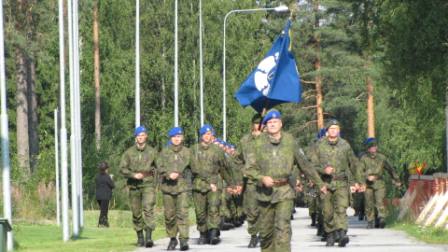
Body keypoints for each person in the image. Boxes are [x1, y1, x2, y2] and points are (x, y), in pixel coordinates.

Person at [246, 110, 327, 252]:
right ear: (265, 125)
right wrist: (261, 178)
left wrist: (319, 183)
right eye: (269, 122)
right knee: (266, 234)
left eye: (275, 122)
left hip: (284, 191)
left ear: (281, 124)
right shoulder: (257, 143)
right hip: (264, 193)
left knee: (282, 228)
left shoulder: (290, 141)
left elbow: (305, 165)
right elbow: (249, 168)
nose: (272, 124)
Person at [308, 119, 364, 247]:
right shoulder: (319, 145)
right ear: (327, 131)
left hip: (341, 183)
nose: (334, 131)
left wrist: (360, 181)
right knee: (327, 212)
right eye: (331, 129)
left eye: (336, 129)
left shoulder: (345, 145)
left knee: (341, 209)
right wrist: (323, 170)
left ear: (339, 131)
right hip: (325, 183)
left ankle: (342, 233)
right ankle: (330, 234)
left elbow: (354, 164)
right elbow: (311, 165)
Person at [191, 124, 236, 245]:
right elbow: (193, 168)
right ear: (201, 136)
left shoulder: (218, 150)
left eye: (209, 134)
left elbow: (225, 169)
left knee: (213, 208)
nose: (207, 136)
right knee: (200, 212)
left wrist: (232, 184)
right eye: (205, 134)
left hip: (214, 184)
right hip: (199, 184)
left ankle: (213, 233)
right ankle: (203, 233)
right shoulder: (194, 150)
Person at [120, 126, 158, 247]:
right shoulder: (129, 153)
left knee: (148, 208)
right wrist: (132, 175)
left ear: (146, 136)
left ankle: (149, 237)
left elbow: (160, 166)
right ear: (135, 138)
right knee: (136, 212)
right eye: (138, 136)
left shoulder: (152, 151)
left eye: (142, 135)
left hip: (148, 184)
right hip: (134, 185)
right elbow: (122, 169)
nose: (140, 138)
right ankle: (140, 237)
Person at [157, 127, 192, 250]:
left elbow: (195, 167)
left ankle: (183, 240)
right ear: (171, 138)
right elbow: (159, 166)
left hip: (182, 187)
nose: (177, 139)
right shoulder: (164, 152)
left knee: (182, 214)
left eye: (179, 136)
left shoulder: (188, 152)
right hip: (167, 187)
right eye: (174, 137)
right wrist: (168, 174)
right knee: (169, 215)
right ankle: (172, 238)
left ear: (182, 138)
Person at [359, 137, 401, 229]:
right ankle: (370, 221)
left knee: (380, 201)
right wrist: (364, 179)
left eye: (374, 146)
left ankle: (381, 218)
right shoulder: (364, 159)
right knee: (368, 202)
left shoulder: (382, 158)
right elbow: (359, 172)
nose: (373, 148)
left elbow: (391, 169)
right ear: (368, 148)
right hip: (367, 184)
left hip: (379, 183)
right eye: (371, 147)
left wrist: (397, 180)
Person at [240, 114, 263, 248]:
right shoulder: (245, 141)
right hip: (250, 181)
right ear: (252, 125)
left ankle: (264, 234)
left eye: (260, 123)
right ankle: (254, 235)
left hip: (266, 180)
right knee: (252, 210)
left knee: (265, 209)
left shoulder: (269, 140)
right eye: (256, 123)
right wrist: (239, 176)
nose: (258, 125)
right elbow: (237, 159)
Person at [95, 161, 115, 228]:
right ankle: (100, 224)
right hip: (105, 196)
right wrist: (111, 178)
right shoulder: (107, 176)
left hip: (98, 196)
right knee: (104, 211)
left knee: (103, 210)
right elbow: (112, 185)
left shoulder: (97, 176)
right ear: (106, 169)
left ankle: (105, 223)